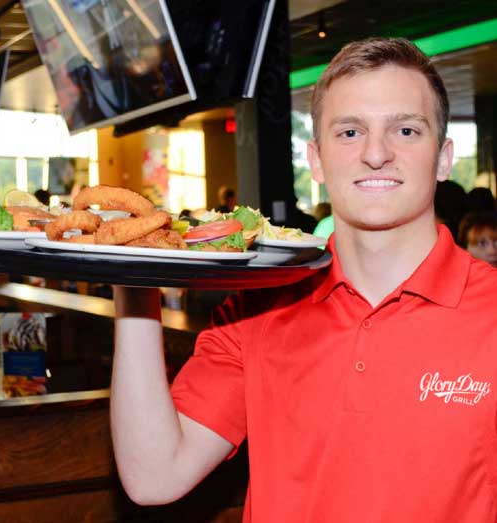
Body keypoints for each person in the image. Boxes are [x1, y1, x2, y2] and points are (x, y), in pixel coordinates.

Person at [110, 37, 497, 522]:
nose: (376, 153)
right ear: (316, 159)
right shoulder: (256, 309)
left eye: (405, 130)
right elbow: (154, 478)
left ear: (443, 157)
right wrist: (129, 275)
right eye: (350, 132)